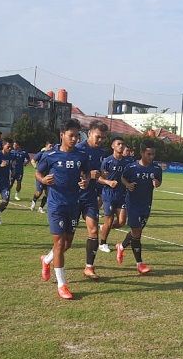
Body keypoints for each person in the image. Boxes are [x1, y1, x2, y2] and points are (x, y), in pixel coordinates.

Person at [37, 119, 89, 300]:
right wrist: (43, 181)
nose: (74, 139)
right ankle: (62, 285)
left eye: (77, 136)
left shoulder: (80, 156)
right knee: (59, 243)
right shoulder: (51, 155)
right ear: (62, 135)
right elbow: (38, 172)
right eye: (71, 135)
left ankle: (46, 259)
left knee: (67, 244)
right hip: (56, 204)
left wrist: (86, 180)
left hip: (74, 204)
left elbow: (86, 173)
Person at [115, 140, 163, 275]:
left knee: (137, 231)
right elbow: (123, 178)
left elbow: (159, 182)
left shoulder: (156, 169)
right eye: (149, 154)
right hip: (133, 204)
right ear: (142, 153)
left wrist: (156, 183)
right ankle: (140, 264)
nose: (151, 157)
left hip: (146, 204)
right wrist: (128, 185)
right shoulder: (132, 168)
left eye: (153, 154)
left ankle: (121, 246)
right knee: (137, 233)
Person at [75, 120, 109, 280]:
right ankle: (47, 259)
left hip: (90, 197)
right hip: (73, 197)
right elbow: (70, 174)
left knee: (94, 230)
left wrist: (102, 177)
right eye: (98, 137)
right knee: (66, 241)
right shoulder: (77, 150)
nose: (101, 140)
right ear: (89, 134)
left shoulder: (102, 152)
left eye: (103, 138)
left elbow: (98, 174)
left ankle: (89, 267)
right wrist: (88, 176)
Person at [98, 137, 128, 253]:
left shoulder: (127, 162)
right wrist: (108, 182)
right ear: (113, 146)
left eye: (122, 144)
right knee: (109, 221)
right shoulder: (107, 161)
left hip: (122, 195)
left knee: (121, 222)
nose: (121, 146)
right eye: (119, 144)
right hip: (109, 195)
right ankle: (102, 243)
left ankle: (104, 227)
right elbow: (99, 178)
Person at [30, 142, 53, 213]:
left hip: (48, 176)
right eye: (50, 146)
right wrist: (36, 167)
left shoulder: (53, 154)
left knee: (48, 193)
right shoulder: (42, 153)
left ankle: (40, 208)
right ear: (46, 146)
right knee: (39, 192)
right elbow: (33, 160)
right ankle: (34, 201)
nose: (51, 147)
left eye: (52, 146)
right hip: (40, 176)